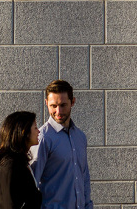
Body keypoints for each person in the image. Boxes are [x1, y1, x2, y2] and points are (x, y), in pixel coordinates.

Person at [30, 80, 93, 209]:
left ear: (73, 102)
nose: (58, 111)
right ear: (46, 103)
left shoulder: (80, 137)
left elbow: (84, 177)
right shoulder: (42, 138)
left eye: (63, 105)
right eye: (53, 106)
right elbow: (31, 184)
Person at [0, 111, 42, 209]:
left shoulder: (19, 163)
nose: (38, 131)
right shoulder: (11, 166)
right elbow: (9, 204)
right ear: (24, 132)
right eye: (35, 127)